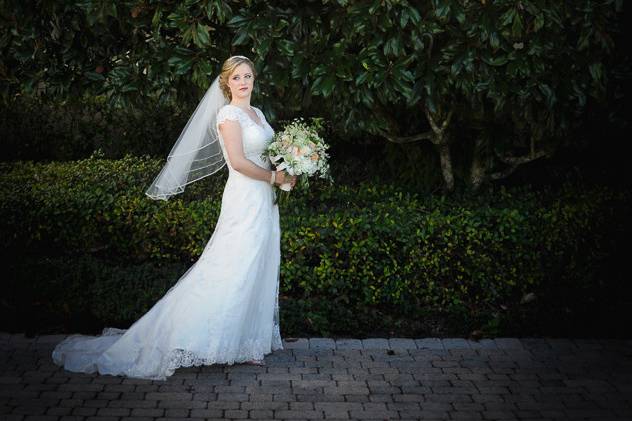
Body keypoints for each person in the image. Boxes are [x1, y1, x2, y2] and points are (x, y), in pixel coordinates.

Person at [51, 55, 296, 381]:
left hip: (265, 200)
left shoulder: (259, 114)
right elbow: (237, 162)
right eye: (236, 77)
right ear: (226, 82)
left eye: (248, 76)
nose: (243, 82)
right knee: (232, 264)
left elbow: (269, 154)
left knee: (258, 262)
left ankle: (245, 343)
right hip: (245, 197)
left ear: (254, 79)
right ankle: (198, 337)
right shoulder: (228, 114)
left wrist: (288, 170)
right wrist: (272, 179)